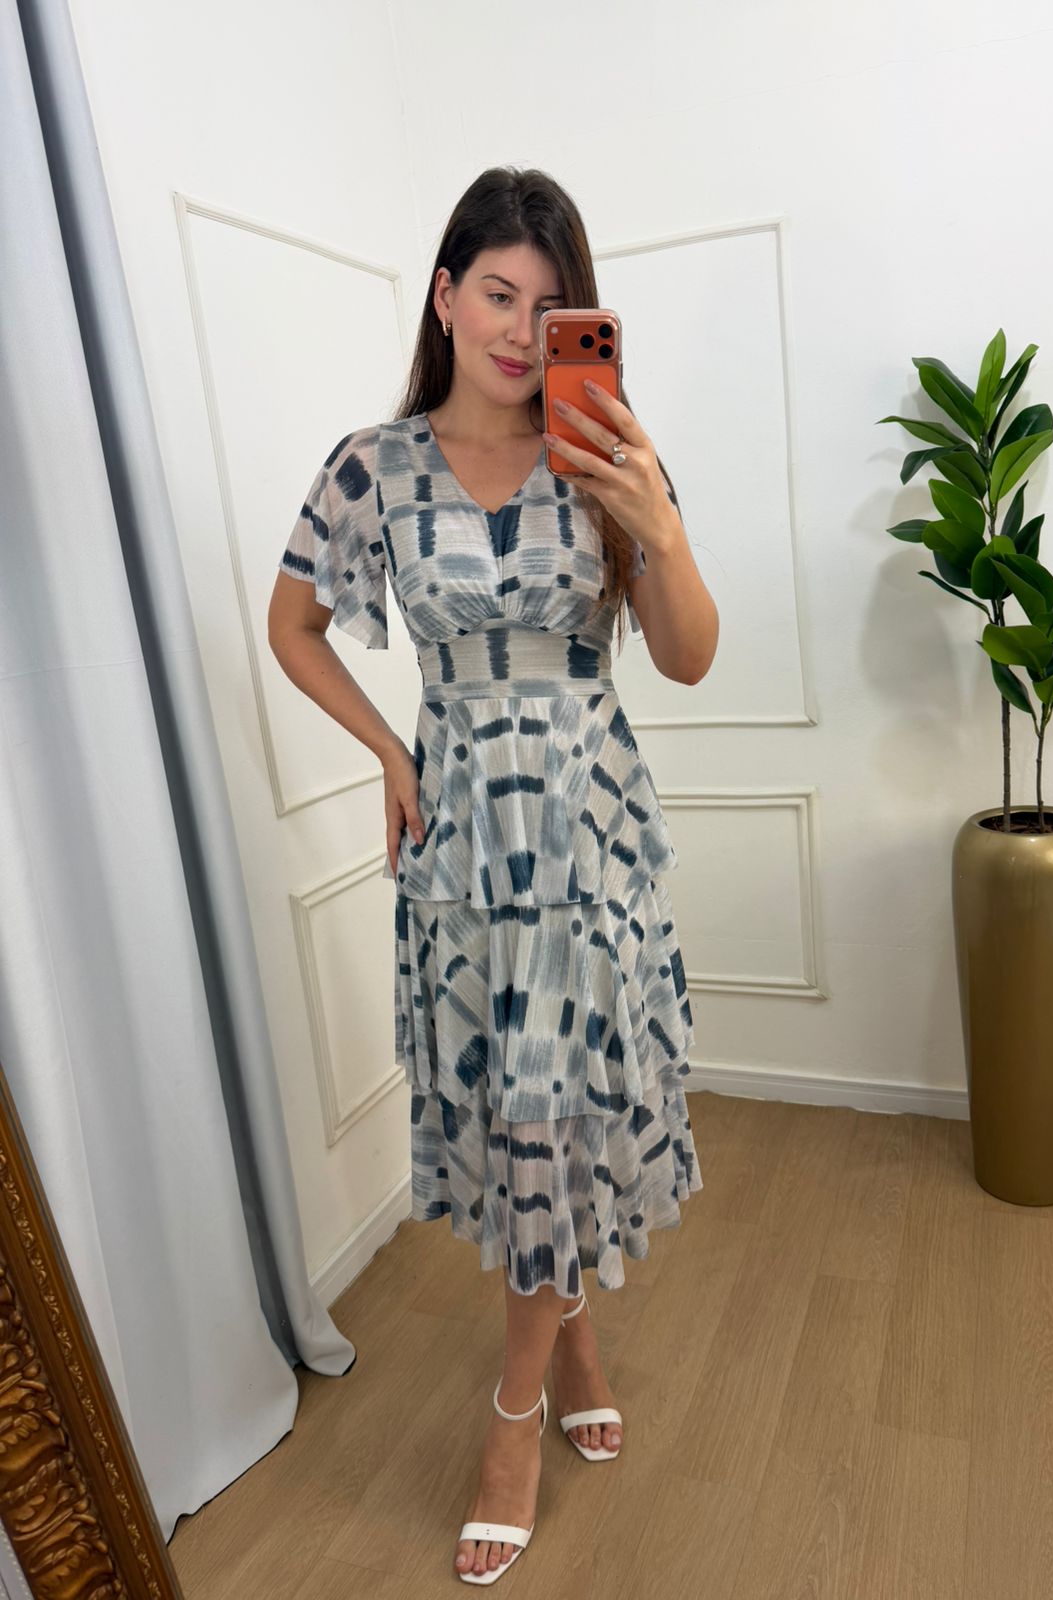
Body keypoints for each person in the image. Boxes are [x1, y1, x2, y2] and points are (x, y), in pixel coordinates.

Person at [268, 165, 719, 1585]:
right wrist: (389, 757)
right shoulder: (372, 468)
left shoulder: (608, 453)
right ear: (447, 297)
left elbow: (689, 655)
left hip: (588, 837)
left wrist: (656, 520)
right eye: (500, 295)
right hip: (463, 842)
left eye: (552, 305)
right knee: (516, 1117)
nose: (525, 332)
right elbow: (292, 626)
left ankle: (511, 1420)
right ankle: (573, 1336)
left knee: (554, 1115)